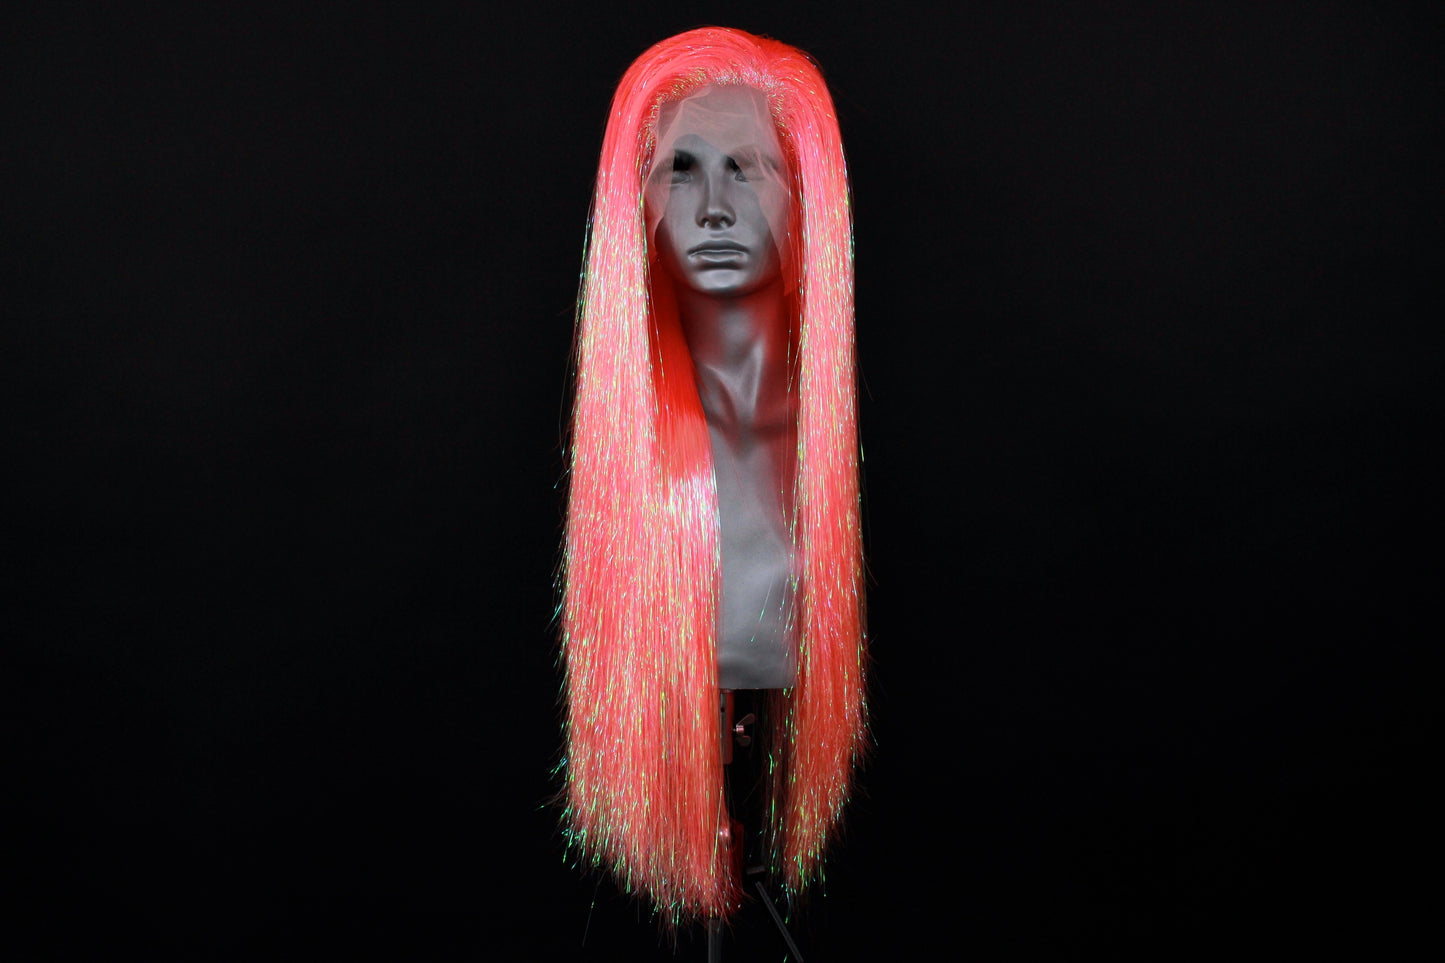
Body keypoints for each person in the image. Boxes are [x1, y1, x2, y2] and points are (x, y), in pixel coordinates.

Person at [557, 26, 866, 929]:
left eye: (747, 170)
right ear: (640, 203)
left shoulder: (820, 468)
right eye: (681, 171)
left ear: (805, 198)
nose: (715, 208)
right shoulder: (625, 476)